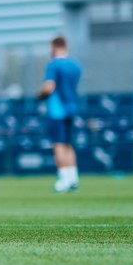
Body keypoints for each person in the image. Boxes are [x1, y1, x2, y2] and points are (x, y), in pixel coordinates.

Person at [38, 35, 82, 193]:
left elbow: (49, 86)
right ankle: (73, 178)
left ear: (54, 46)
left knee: (58, 144)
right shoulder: (75, 65)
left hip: (57, 110)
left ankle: (63, 179)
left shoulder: (54, 65)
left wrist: (40, 94)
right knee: (68, 144)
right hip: (71, 108)